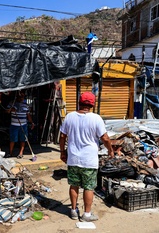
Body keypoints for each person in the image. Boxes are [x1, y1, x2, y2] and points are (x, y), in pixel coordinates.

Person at [59, 91, 114, 222]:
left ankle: (73, 211)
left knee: (74, 185)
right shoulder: (96, 118)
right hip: (89, 160)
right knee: (89, 187)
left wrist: (62, 152)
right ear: (92, 105)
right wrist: (110, 150)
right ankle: (86, 215)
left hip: (73, 158)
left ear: (79, 102)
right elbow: (105, 138)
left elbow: (62, 136)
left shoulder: (69, 117)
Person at [5, 91, 35, 158]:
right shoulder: (12, 103)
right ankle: (10, 152)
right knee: (13, 139)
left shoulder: (26, 104)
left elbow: (28, 115)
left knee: (23, 139)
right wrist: (11, 109)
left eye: (22, 96)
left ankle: (21, 153)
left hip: (23, 125)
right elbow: (6, 111)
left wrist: (32, 122)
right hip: (14, 125)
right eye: (20, 96)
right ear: (17, 97)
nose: (21, 98)